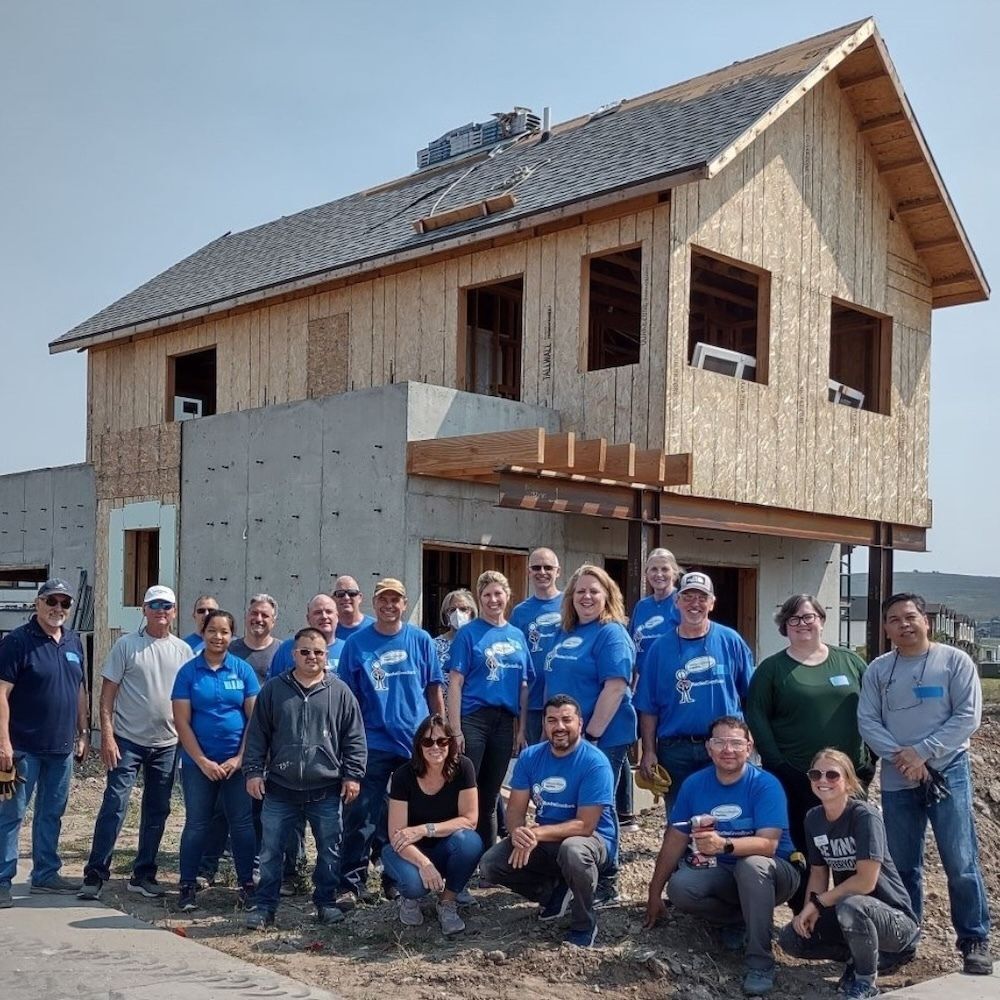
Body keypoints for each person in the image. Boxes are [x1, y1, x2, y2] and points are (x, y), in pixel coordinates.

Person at [858, 592, 993, 976]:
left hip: (949, 771)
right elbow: (868, 721)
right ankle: (903, 941)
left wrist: (923, 752)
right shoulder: (879, 670)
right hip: (898, 778)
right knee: (902, 866)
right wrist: (903, 758)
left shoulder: (954, 662)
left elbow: (968, 716)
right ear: (885, 628)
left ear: (926, 621)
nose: (904, 624)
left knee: (960, 860)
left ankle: (973, 940)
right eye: (894, 619)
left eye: (911, 616)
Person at [644, 716, 800, 997]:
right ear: (708, 748)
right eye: (720, 742)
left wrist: (724, 845)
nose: (728, 749)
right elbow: (675, 839)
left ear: (749, 747)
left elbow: (768, 846)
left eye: (736, 743)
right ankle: (736, 919)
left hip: (774, 873)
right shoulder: (694, 785)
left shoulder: (765, 785)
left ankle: (760, 962)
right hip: (723, 873)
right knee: (681, 888)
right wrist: (654, 891)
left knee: (751, 866)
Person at [746, 594, 871, 911]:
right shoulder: (772, 670)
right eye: (794, 619)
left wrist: (869, 759)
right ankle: (806, 917)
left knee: (850, 849)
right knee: (805, 848)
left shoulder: (851, 663)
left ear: (822, 620)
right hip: (796, 778)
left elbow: (875, 710)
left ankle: (850, 917)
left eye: (809, 616)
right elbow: (757, 717)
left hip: (847, 779)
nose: (803, 624)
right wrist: (779, 763)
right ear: (784, 626)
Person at [243, 627, 366, 929]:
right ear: (293, 654)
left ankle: (325, 902)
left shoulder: (340, 692)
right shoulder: (274, 689)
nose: (312, 657)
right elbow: (257, 735)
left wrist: (353, 775)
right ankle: (265, 906)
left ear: (326, 656)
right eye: (305, 652)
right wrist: (253, 772)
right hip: (280, 789)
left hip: (325, 789)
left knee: (329, 850)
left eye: (319, 652)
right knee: (271, 851)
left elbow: (355, 738)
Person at [78, 585, 193, 900]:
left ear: (174, 611)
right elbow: (107, 694)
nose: (161, 611)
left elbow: (188, 698)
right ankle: (95, 873)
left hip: (167, 744)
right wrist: (107, 735)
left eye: (166, 606)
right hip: (127, 742)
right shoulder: (126, 646)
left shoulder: (183, 651)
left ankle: (143, 874)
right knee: (115, 804)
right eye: (154, 605)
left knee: (158, 810)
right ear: (144, 610)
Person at [777, 749, 920, 1000]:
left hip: (894, 921)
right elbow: (819, 873)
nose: (823, 780)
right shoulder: (814, 818)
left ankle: (866, 980)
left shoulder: (864, 816)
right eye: (816, 774)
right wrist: (809, 908)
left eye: (832, 775)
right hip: (849, 911)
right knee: (792, 938)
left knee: (852, 905)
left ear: (849, 781)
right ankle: (860, 956)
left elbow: (866, 882)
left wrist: (820, 903)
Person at [478, 694, 617, 948]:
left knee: (573, 851)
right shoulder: (531, 757)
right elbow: (515, 810)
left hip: (591, 840)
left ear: (580, 724)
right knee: (490, 864)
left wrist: (536, 834)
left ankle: (584, 924)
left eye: (567, 720)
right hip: (547, 838)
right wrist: (519, 833)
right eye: (552, 720)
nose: (559, 727)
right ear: (544, 724)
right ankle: (556, 893)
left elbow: (585, 825)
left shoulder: (594, 763)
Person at [338, 578, 445, 902]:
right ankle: (350, 884)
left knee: (411, 817)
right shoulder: (357, 645)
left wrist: (440, 733)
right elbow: (347, 698)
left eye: (395, 600)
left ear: (404, 602)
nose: (389, 605)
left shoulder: (421, 640)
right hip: (372, 742)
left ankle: (396, 878)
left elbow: (434, 690)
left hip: (415, 743)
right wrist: (348, 742)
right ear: (373, 603)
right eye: (383, 599)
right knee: (361, 814)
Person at [544, 563, 636, 906]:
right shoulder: (563, 632)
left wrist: (592, 735)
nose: (586, 597)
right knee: (568, 804)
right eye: (580, 591)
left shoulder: (611, 633)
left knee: (598, 805)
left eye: (594, 591)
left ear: (607, 596)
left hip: (602, 736)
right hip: (564, 737)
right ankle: (574, 873)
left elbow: (614, 687)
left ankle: (608, 878)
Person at [635, 570, 754, 815]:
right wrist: (648, 750)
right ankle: (682, 856)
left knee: (727, 812)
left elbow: (750, 695)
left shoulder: (731, 641)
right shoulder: (659, 649)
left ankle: (724, 854)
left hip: (725, 746)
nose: (694, 604)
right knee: (680, 818)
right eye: (688, 597)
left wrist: (749, 737)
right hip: (676, 750)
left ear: (712, 603)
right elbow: (648, 706)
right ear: (677, 602)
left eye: (702, 598)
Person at [0, 579, 88, 905]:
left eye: (65, 603)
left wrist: (83, 732)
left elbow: (80, 690)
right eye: (52, 601)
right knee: (11, 815)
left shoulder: (73, 642)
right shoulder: (17, 642)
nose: (58, 609)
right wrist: (3, 743)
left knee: (52, 813)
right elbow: (1, 694)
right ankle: (1, 881)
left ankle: (46, 875)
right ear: (37, 603)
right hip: (22, 749)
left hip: (61, 749)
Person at [171, 609, 260, 912]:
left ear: (231, 636)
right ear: (203, 632)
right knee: (197, 824)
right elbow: (181, 723)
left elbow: (254, 720)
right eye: (212, 631)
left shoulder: (242, 670)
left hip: (236, 765)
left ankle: (247, 885)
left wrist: (239, 758)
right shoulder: (188, 672)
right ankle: (186, 886)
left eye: (224, 632)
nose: (218, 637)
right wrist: (201, 761)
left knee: (243, 825)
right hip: (199, 765)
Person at [447, 570, 531, 853]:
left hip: (504, 722)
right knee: (465, 790)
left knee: (491, 795)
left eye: (498, 594)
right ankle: (458, 856)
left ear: (507, 596)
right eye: (487, 595)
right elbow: (455, 683)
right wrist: (455, 728)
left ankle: (486, 861)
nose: (493, 600)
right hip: (474, 720)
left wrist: (521, 729)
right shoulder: (468, 634)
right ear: (479, 599)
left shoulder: (517, 636)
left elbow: (523, 686)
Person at [381, 714, 482, 936]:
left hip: (446, 847)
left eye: (442, 741)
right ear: (418, 745)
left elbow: (470, 820)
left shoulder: (464, 768)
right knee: (415, 884)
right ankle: (410, 898)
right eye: (427, 741)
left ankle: (447, 902)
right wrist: (424, 863)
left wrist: (425, 828)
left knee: (470, 842)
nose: (435, 747)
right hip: (407, 851)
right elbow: (397, 834)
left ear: (450, 743)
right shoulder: (403, 776)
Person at [622, 547, 683, 833]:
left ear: (674, 572)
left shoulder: (680, 603)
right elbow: (634, 650)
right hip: (644, 688)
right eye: (653, 570)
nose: (659, 575)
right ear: (646, 574)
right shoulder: (642, 607)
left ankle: (676, 823)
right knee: (631, 746)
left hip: (672, 687)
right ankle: (626, 811)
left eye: (664, 569)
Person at [510, 548, 563, 747]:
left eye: (548, 567)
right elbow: (515, 659)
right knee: (536, 761)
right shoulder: (520, 612)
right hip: (532, 703)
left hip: (564, 700)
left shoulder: (571, 605)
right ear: (528, 572)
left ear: (558, 571)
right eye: (536, 567)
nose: (542, 572)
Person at [267, 593, 344, 678]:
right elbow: (273, 686)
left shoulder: (347, 648)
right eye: (318, 612)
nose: (324, 616)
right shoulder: (287, 648)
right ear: (308, 619)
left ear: (337, 617)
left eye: (329, 612)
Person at [433, 589, 478, 696]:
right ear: (446, 614)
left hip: (473, 708)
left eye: (463, 609)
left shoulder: (480, 643)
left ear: (472, 612)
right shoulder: (434, 645)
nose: (457, 613)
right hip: (444, 708)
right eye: (452, 610)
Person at [230, 594, 281, 684]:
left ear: (273, 622)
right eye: (254, 613)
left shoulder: (282, 651)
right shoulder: (230, 650)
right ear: (246, 616)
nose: (258, 619)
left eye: (264, 615)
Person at [333, 575, 375, 639]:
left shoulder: (375, 628)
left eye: (352, 593)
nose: (346, 598)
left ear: (360, 597)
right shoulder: (329, 629)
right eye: (340, 594)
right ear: (334, 598)